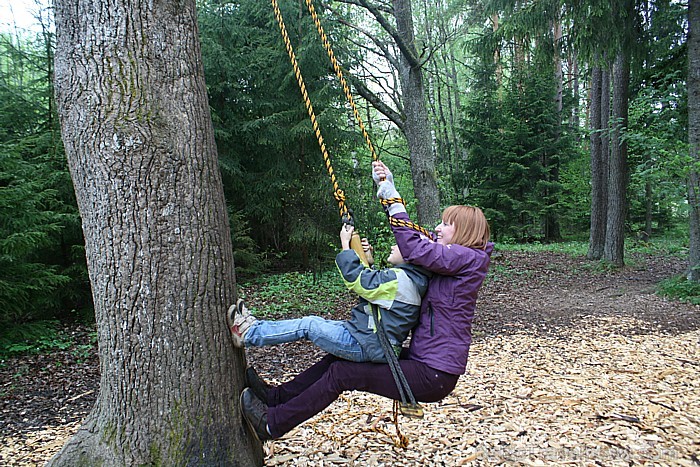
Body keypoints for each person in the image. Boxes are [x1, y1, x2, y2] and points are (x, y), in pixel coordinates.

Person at [237, 160, 493, 441]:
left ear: (465, 232)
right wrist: (386, 189)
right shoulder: (453, 260)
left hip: (434, 372)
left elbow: (414, 246)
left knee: (343, 374)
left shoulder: (468, 258)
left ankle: (273, 423)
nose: (437, 227)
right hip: (426, 362)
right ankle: (276, 397)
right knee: (339, 358)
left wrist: (393, 198)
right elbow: (417, 240)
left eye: (446, 224)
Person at [228, 224, 430, 363]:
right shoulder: (412, 279)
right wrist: (367, 260)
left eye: (402, 244)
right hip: (369, 339)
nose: (395, 244)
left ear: (413, 254)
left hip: (367, 344)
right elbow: (375, 292)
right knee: (313, 323)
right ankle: (255, 329)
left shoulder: (400, 280)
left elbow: (356, 281)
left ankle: (249, 334)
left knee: (308, 325)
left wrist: (345, 245)